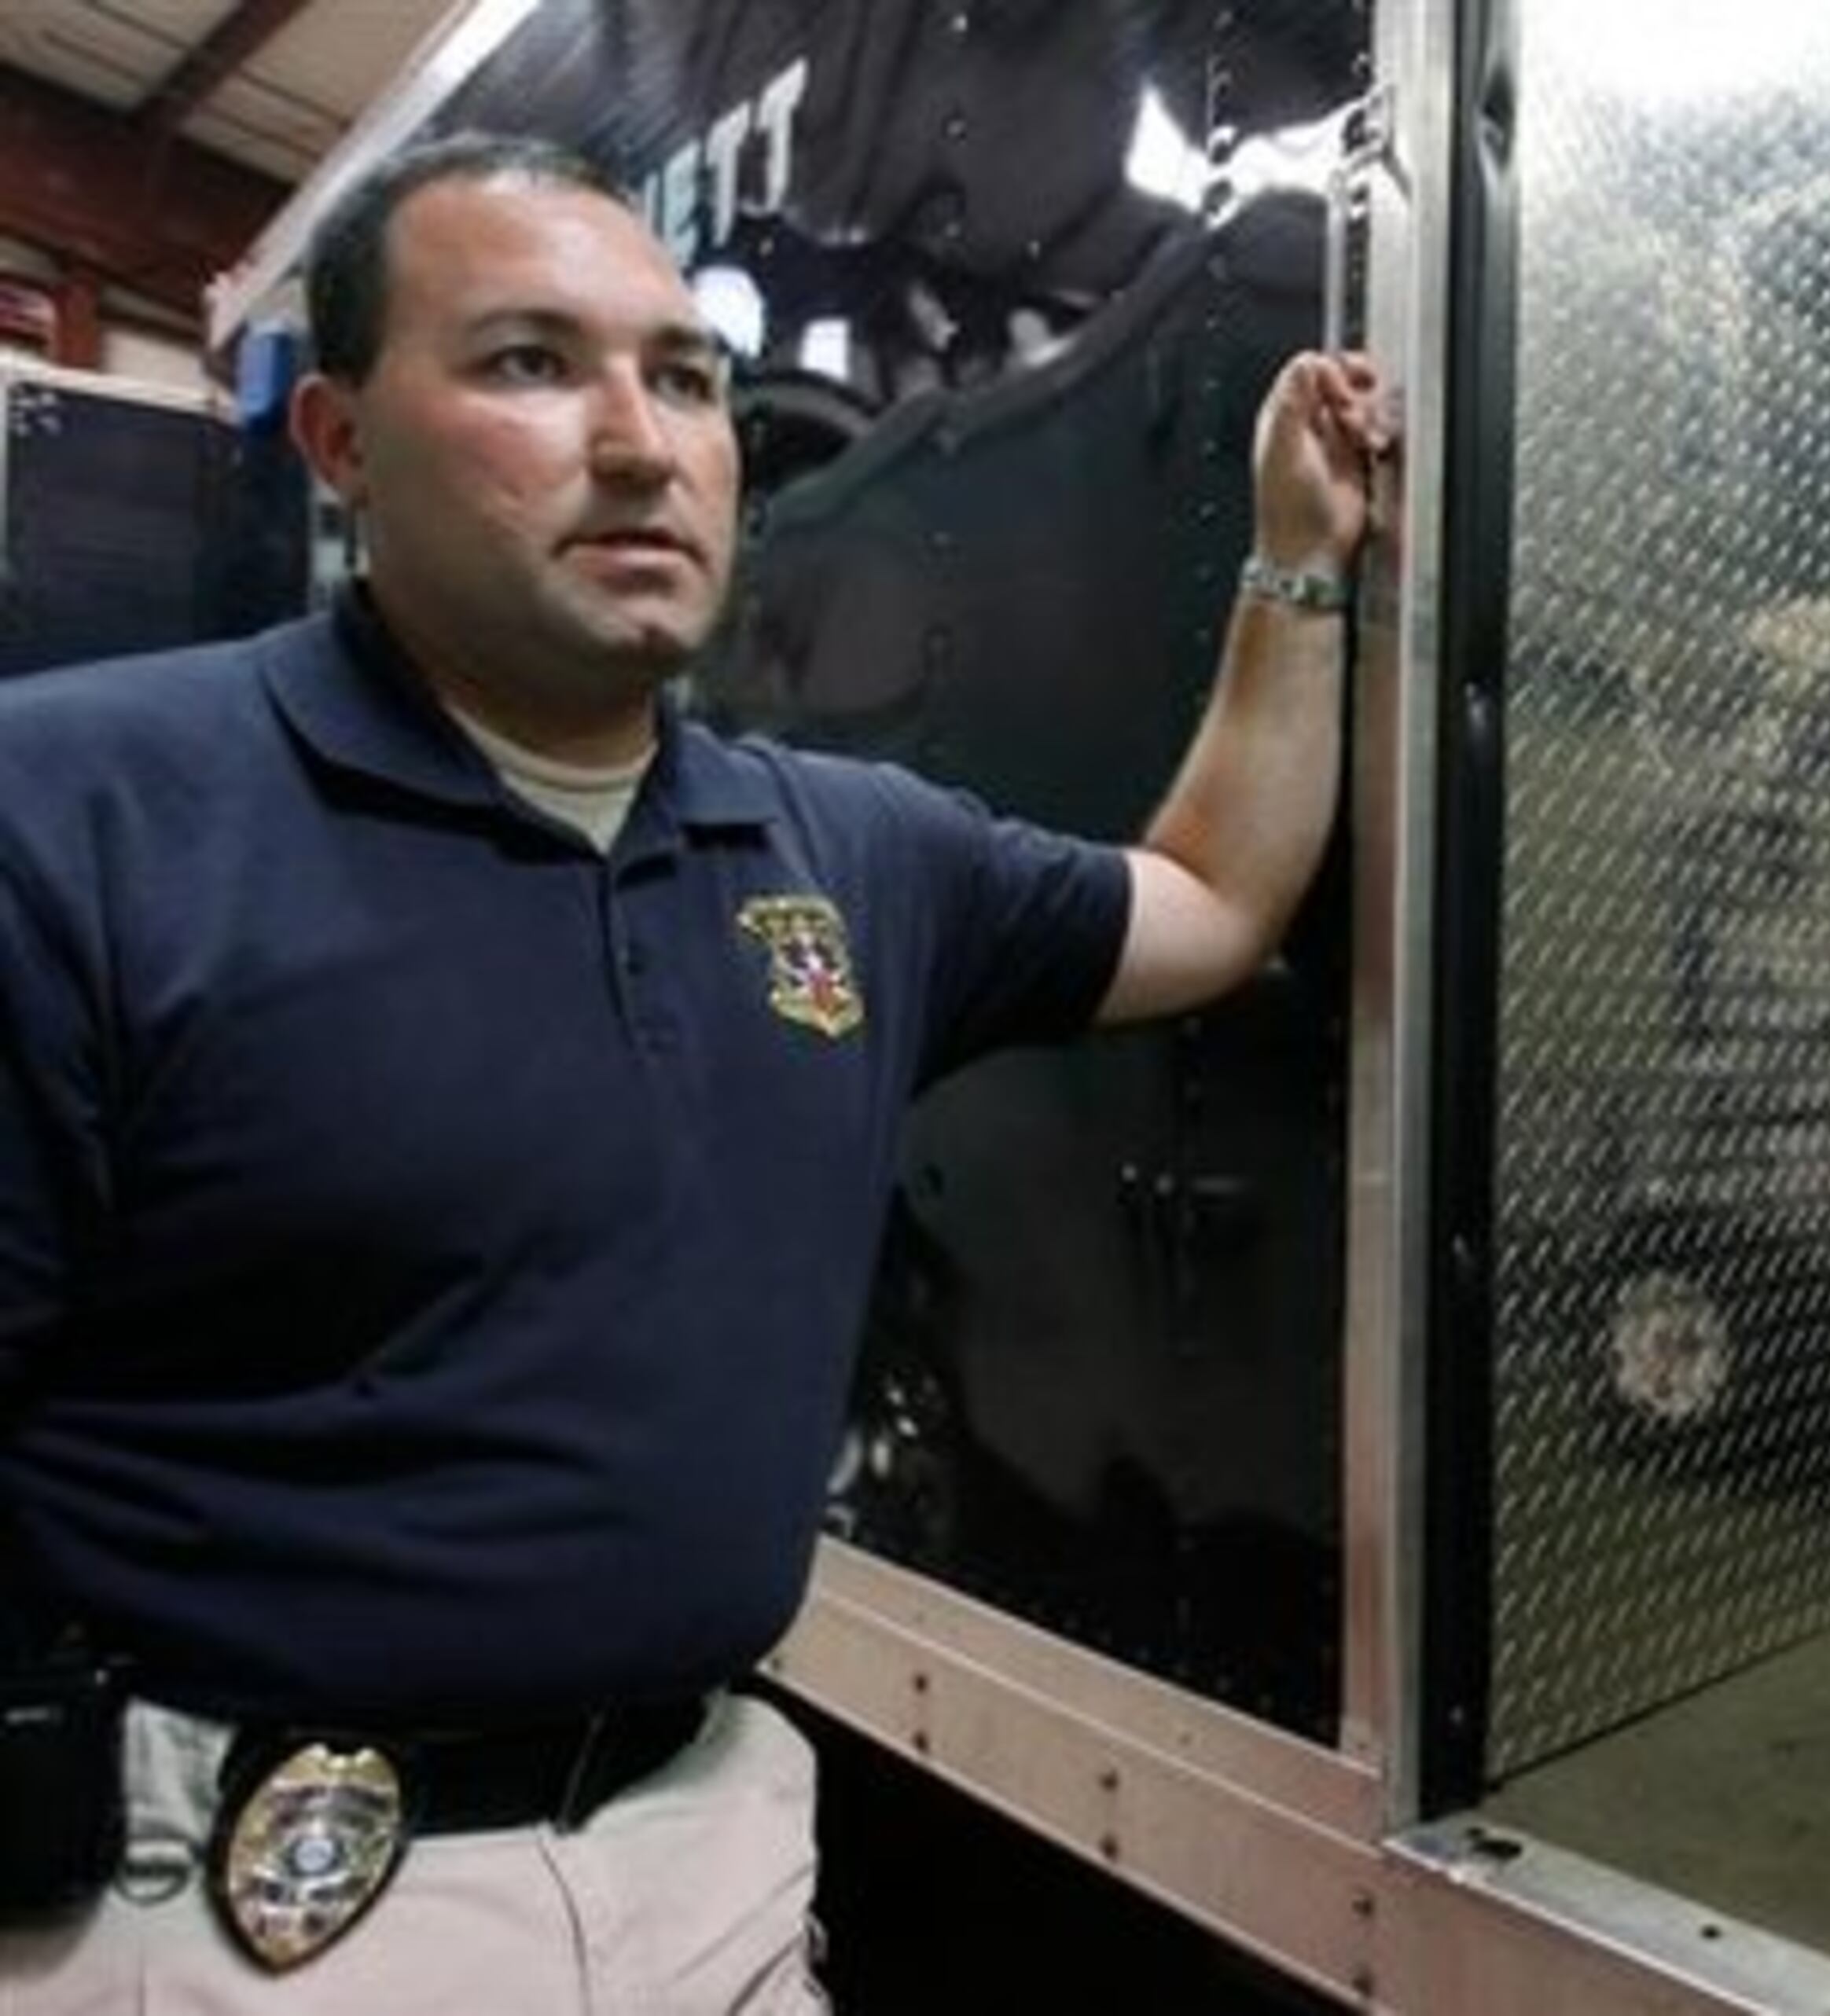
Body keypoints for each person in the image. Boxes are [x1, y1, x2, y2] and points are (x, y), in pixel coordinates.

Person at [0, 130, 1384, 2011]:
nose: (643, 441)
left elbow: (1209, 900)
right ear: (339, 445)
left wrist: (1293, 573)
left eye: (685, 376)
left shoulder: (844, 852)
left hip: (714, 1858)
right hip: (250, 1912)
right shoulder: (81, 813)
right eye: (526, 363)